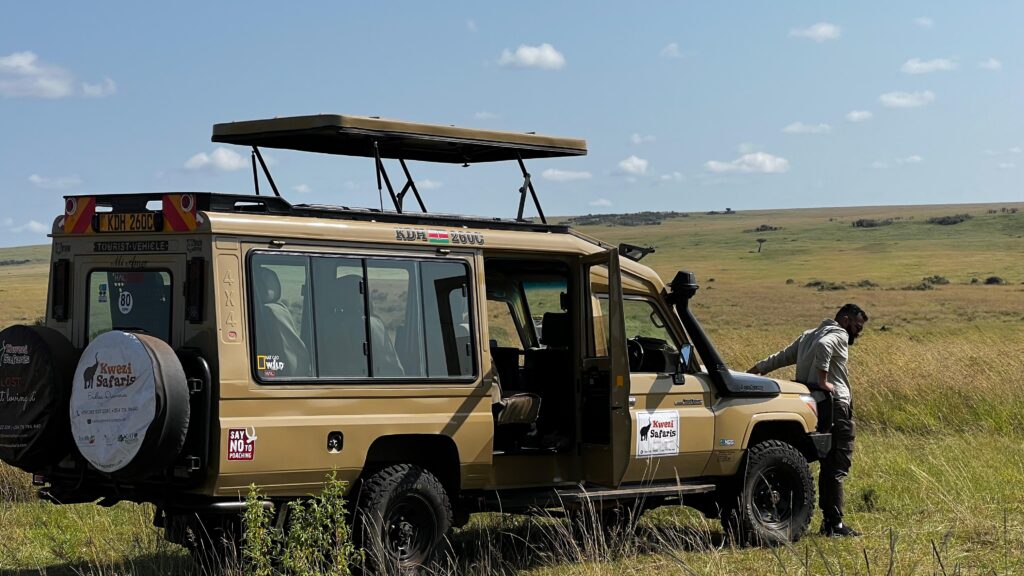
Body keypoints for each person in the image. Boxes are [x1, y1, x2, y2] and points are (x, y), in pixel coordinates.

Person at [747, 303, 868, 537]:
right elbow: (825, 346)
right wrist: (823, 379)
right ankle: (834, 524)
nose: (857, 332)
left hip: (810, 406)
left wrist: (753, 372)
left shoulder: (808, 335)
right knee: (836, 465)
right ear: (845, 320)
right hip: (834, 406)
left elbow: (780, 357)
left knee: (814, 461)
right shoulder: (838, 334)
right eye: (857, 326)